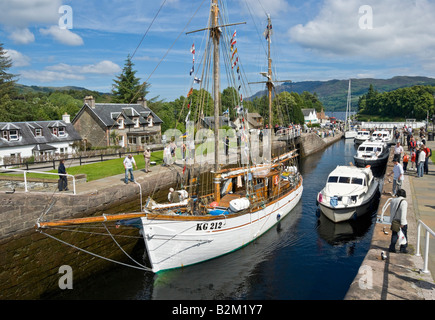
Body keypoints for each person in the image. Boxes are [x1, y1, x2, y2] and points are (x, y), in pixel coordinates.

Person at [388, 189, 408, 253]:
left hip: (394, 221)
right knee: (403, 235)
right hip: (401, 222)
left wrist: (391, 220)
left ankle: (392, 248)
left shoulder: (393, 200)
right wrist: (402, 223)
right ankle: (403, 249)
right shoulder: (404, 202)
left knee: (394, 235)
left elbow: (391, 211)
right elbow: (403, 214)